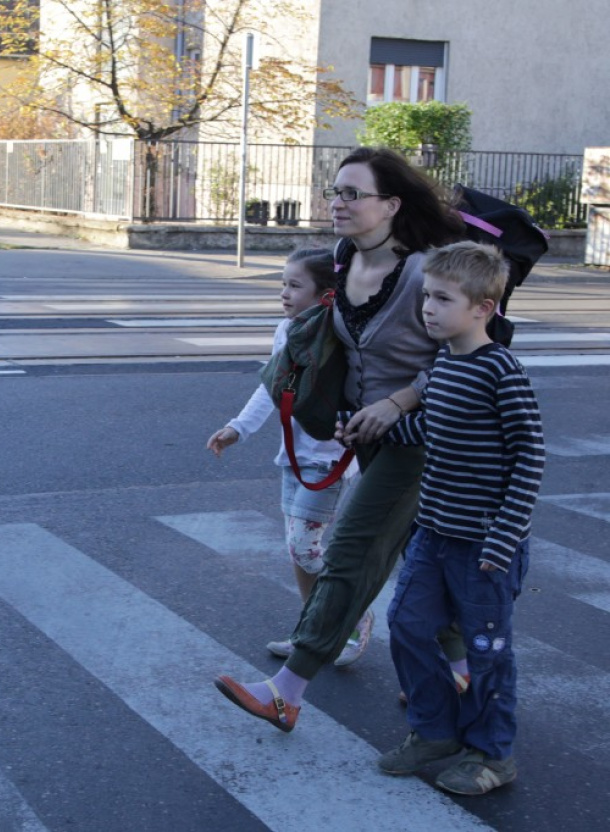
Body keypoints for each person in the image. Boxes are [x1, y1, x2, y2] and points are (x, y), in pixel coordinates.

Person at [214, 147, 466, 733]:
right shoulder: (344, 257)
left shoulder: (426, 271)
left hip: (419, 438)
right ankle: (462, 669)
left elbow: (469, 352)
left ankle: (287, 691)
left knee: (350, 551)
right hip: (365, 436)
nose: (339, 202)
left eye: (354, 193)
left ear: (392, 205)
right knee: (417, 557)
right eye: (335, 191)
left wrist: (399, 399)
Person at [368, 241, 544, 795]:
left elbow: (530, 455)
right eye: (426, 296)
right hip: (434, 532)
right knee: (407, 625)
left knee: (488, 651)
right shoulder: (443, 364)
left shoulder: (500, 370)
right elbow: (433, 431)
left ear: (482, 309)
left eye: (442, 298)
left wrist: (505, 535)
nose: (428, 308)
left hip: (484, 545)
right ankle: (435, 731)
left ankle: (494, 755)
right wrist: (372, 427)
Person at [206, 248, 361, 659]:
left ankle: (349, 620)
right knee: (298, 549)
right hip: (293, 457)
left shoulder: (343, 334)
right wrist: (238, 427)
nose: (285, 294)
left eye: (295, 286)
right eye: (283, 284)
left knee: (304, 547)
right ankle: (313, 628)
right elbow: (271, 385)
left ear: (326, 293)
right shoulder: (287, 330)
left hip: (328, 458)